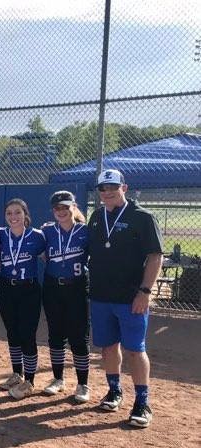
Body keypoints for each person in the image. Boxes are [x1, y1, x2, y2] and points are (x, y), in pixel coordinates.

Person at [87, 169, 163, 428]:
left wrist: (145, 291)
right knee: (108, 347)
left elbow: (155, 257)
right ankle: (114, 391)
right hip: (100, 296)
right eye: (102, 189)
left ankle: (142, 402)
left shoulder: (143, 217)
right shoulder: (97, 217)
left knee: (134, 349)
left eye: (112, 187)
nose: (107, 192)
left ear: (124, 187)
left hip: (131, 298)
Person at [41, 190, 91, 403]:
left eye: (65, 207)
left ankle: (82, 384)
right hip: (53, 287)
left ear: (74, 207)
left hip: (77, 288)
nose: (61, 211)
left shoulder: (86, 231)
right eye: (57, 208)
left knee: (78, 337)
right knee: (55, 335)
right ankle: (58, 379)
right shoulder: (47, 232)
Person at [0, 199, 47, 400]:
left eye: (17, 212)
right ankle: (17, 374)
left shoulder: (37, 236)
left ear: (25, 214)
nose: (13, 217)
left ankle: (30, 381)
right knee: (12, 332)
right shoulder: (0, 234)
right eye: (9, 213)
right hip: (7, 288)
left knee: (28, 334)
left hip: (29, 289)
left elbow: (47, 258)